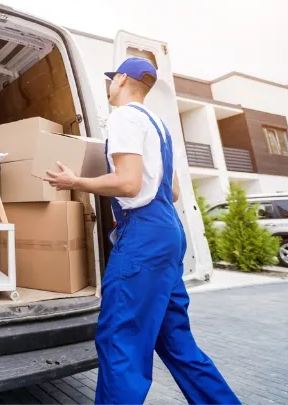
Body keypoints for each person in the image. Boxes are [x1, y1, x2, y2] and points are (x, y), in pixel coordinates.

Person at [44, 57, 241, 405]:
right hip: (168, 230)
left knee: (121, 339)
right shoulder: (160, 127)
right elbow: (174, 191)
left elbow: (129, 182)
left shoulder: (123, 117)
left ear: (121, 79)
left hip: (144, 235)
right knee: (176, 341)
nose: (109, 86)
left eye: (111, 79)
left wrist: (75, 181)